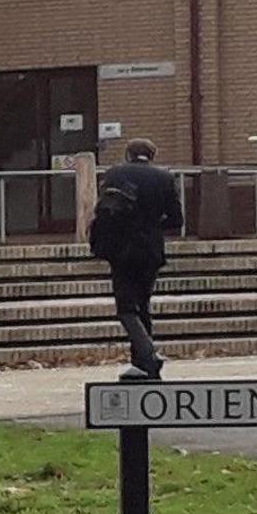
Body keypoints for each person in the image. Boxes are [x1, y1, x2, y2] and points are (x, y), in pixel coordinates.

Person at [87, 136, 186, 378]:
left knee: (126, 309)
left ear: (128, 155)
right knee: (143, 305)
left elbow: (104, 210)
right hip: (151, 250)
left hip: (121, 249)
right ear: (152, 156)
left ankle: (148, 353)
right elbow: (176, 220)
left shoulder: (115, 174)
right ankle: (144, 367)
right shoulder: (165, 177)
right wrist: (151, 225)